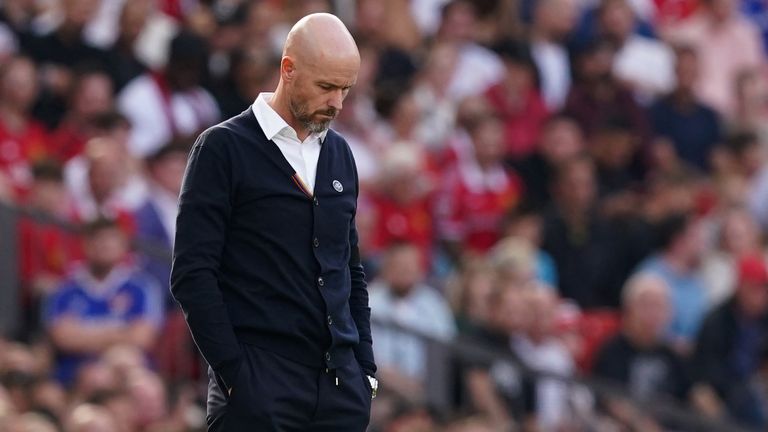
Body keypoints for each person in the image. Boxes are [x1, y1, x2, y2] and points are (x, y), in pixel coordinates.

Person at [170, 13, 376, 431]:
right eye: (326, 87)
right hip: (259, 382)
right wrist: (236, 375)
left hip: (339, 390)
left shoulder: (340, 154)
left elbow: (349, 269)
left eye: (345, 89)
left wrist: (364, 370)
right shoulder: (223, 147)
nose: (337, 102)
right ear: (288, 69)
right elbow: (192, 273)